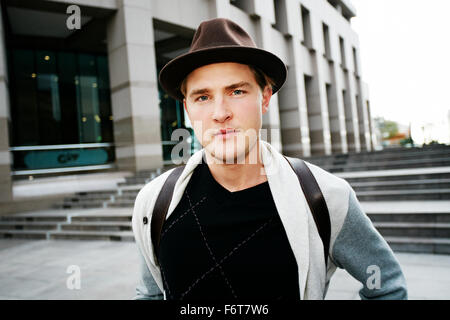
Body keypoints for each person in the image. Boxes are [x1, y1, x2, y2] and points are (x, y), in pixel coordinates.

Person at [132, 18, 407, 300]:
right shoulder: (154, 203)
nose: (220, 112)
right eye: (202, 97)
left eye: (236, 91)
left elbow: (387, 285)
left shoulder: (326, 197)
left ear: (265, 98)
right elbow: (148, 294)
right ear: (187, 108)